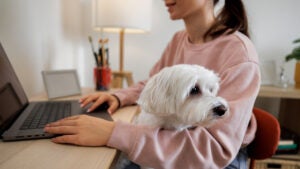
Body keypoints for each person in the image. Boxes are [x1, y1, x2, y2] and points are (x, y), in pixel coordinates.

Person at [44, 0, 261, 168]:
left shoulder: (239, 53)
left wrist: (113, 133)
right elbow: (152, 83)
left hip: (215, 159)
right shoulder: (179, 40)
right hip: (175, 143)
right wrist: (119, 96)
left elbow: (214, 149)